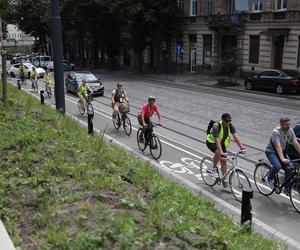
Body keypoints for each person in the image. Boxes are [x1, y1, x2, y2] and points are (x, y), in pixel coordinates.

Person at [206, 113, 246, 186]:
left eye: (230, 121)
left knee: (224, 162)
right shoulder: (216, 126)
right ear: (222, 120)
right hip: (211, 142)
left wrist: (242, 147)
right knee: (218, 152)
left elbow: (236, 136)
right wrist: (221, 152)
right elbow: (217, 140)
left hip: (221, 143)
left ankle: (225, 181)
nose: (228, 122)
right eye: (227, 121)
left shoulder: (230, 125)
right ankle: (213, 169)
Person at [265, 117, 300, 193]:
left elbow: (295, 143)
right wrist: (282, 159)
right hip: (271, 152)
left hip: (283, 152)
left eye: (289, 124)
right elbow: (278, 147)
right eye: (286, 124)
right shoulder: (276, 132)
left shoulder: (290, 131)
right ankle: (269, 179)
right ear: (281, 124)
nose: (288, 126)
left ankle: (287, 189)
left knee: (290, 168)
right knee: (277, 166)